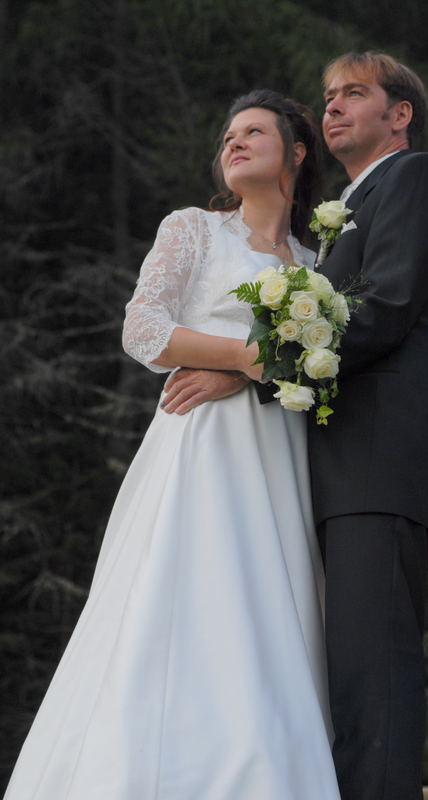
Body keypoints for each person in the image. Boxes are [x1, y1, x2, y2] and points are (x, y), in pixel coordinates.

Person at [4, 90, 342, 800]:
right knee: (190, 595)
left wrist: (244, 371)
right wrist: (247, 358)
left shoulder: (320, 260)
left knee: (272, 611)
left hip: (284, 459)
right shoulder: (192, 228)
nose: (234, 141)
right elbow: (145, 331)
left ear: (298, 150)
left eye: (253, 130)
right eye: (227, 134)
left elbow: (337, 365)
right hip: (202, 452)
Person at [305, 52, 428, 799]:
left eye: (354, 94)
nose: (332, 106)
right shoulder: (345, 214)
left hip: (375, 470)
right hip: (333, 472)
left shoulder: (416, 177)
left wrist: (251, 363)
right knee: (340, 692)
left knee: (376, 691)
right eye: (329, 96)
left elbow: (388, 308)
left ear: (399, 114)